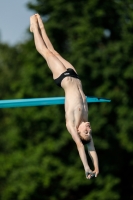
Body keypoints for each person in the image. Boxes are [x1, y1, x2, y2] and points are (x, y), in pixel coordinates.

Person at [30, 14, 99, 179]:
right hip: (74, 75)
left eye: (86, 131)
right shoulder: (85, 120)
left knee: (47, 53)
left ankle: (34, 29)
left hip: (62, 78)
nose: (89, 129)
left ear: (78, 131)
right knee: (54, 51)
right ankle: (40, 27)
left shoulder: (72, 123)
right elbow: (91, 148)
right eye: (90, 131)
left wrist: (86, 168)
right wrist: (96, 166)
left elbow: (81, 147)